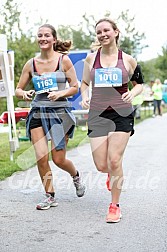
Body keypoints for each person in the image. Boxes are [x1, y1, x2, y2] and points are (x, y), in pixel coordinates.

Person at [15, 24, 85, 210]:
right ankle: (50, 196)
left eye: (47, 35)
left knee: (58, 159)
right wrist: (25, 94)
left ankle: (76, 175)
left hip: (60, 113)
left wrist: (60, 94)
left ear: (54, 39)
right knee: (41, 157)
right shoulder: (31, 64)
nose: (43, 38)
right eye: (40, 35)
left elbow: (75, 87)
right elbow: (18, 89)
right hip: (38, 111)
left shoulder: (64, 61)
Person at [81, 18, 144, 223]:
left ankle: (114, 206)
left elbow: (139, 84)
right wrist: (84, 96)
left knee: (114, 160)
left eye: (106, 30)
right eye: (99, 32)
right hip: (98, 114)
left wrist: (132, 93)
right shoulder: (91, 59)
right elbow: (83, 83)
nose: (102, 34)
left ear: (116, 32)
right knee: (102, 165)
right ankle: (113, 174)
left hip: (121, 113)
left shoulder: (128, 60)